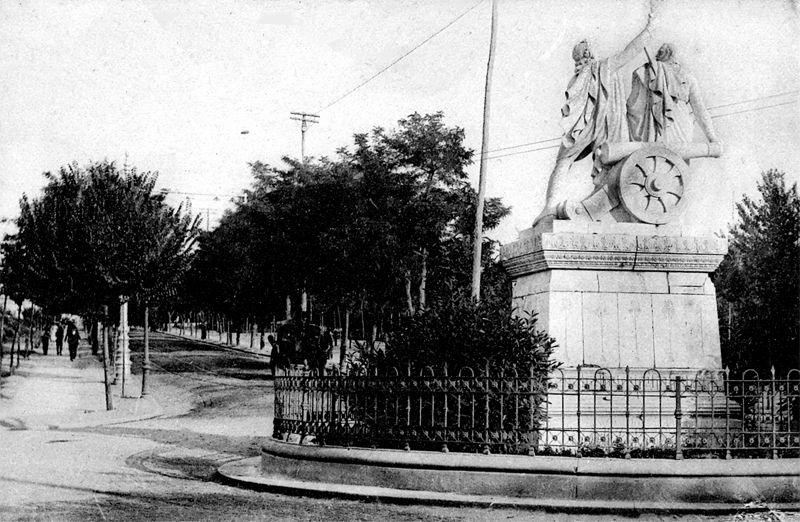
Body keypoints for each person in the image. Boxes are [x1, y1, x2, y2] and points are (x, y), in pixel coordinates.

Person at [532, 11, 656, 227]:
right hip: (604, 126)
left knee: (564, 160)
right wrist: (649, 29)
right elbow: (631, 51)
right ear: (590, 53)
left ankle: (549, 207)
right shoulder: (604, 67)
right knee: (608, 159)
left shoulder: (579, 76)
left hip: (583, 127)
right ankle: (604, 206)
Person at [626, 43, 719, 145]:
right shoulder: (688, 78)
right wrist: (712, 137)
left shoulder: (648, 72)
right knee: (678, 159)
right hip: (681, 129)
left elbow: (633, 104)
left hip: (653, 132)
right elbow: (700, 110)